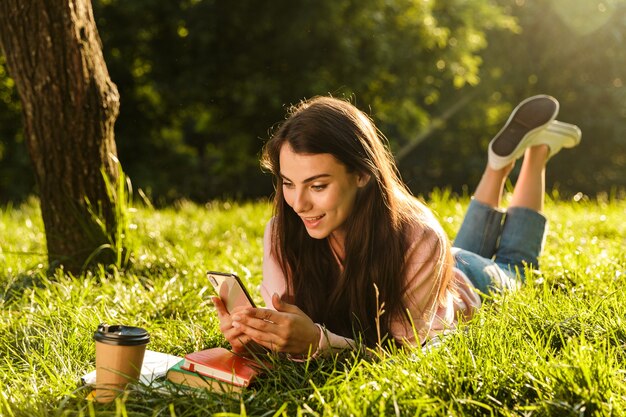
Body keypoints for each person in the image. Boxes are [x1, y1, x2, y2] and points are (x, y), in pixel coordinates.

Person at [212, 94, 581, 357]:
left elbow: (406, 353)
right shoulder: (282, 232)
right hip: (436, 266)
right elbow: (289, 322)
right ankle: (498, 166)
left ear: (361, 174)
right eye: (289, 184)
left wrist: (321, 344)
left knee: (515, 266)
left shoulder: (418, 237)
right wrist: (256, 335)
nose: (298, 204)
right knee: (459, 249)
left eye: (318, 186)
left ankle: (536, 151)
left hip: (468, 284)